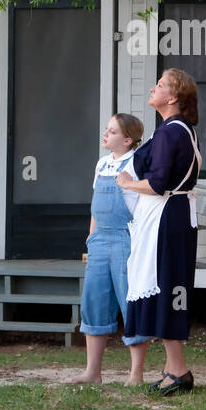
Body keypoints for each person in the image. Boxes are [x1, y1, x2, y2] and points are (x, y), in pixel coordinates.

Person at [117, 68, 201, 396]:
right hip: (176, 214)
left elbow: (158, 183)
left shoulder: (170, 133)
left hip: (167, 215)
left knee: (165, 285)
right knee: (169, 284)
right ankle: (171, 367)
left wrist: (126, 183)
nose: (154, 88)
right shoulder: (179, 130)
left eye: (161, 85)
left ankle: (178, 370)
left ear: (174, 97)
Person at [65, 113, 151, 385]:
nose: (105, 134)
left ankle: (135, 374)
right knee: (94, 301)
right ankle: (93, 372)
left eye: (112, 131)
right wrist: (91, 239)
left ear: (127, 140)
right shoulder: (102, 164)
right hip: (100, 240)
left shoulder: (136, 163)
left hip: (125, 239)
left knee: (130, 301)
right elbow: (95, 206)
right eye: (106, 129)